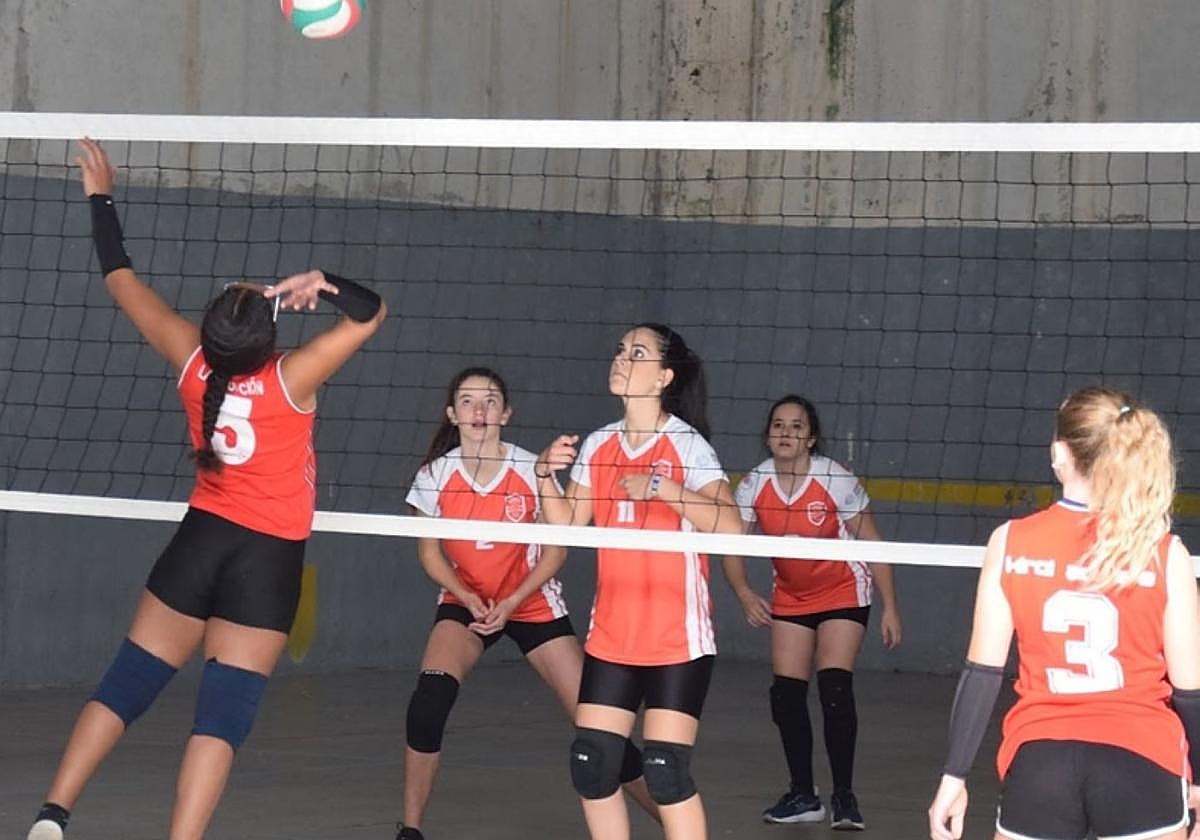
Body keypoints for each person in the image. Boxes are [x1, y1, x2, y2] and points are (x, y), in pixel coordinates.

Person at [26, 138, 386, 840]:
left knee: (126, 684)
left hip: (200, 543)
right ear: (267, 339)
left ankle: (52, 815)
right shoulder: (293, 376)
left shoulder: (189, 357)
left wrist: (100, 194)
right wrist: (323, 282)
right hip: (267, 559)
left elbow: (118, 275)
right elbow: (370, 313)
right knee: (221, 716)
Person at [395, 366, 657, 840]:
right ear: (452, 414)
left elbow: (556, 550)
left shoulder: (530, 468)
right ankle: (410, 831)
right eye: (468, 401)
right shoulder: (434, 475)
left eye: (490, 401)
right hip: (467, 601)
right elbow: (429, 553)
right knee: (427, 706)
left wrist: (514, 599)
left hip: (532, 602)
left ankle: (676, 824)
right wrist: (467, 596)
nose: (479, 410)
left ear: (506, 413)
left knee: (598, 728)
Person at [928, 387, 1200, 840]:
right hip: (1142, 758)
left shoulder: (1010, 542)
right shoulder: (1164, 553)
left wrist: (954, 776)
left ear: (1059, 453)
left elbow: (982, 674)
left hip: (1042, 757)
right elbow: (1191, 691)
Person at [535, 323, 743, 840]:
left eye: (638, 353)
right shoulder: (600, 444)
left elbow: (732, 526)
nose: (622, 359)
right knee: (592, 762)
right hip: (613, 634)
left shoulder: (687, 446)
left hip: (677, 639)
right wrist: (543, 476)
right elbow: (567, 524)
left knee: (666, 772)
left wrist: (663, 487)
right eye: (620, 350)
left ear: (663, 377)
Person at [722, 395, 901, 830]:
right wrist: (744, 592)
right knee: (785, 696)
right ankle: (803, 794)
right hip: (792, 596)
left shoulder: (833, 479)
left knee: (834, 688)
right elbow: (730, 544)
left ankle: (844, 797)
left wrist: (890, 607)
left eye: (796, 426)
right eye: (778, 425)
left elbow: (873, 543)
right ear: (768, 435)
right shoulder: (754, 483)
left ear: (811, 437)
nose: (786, 433)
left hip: (843, 591)